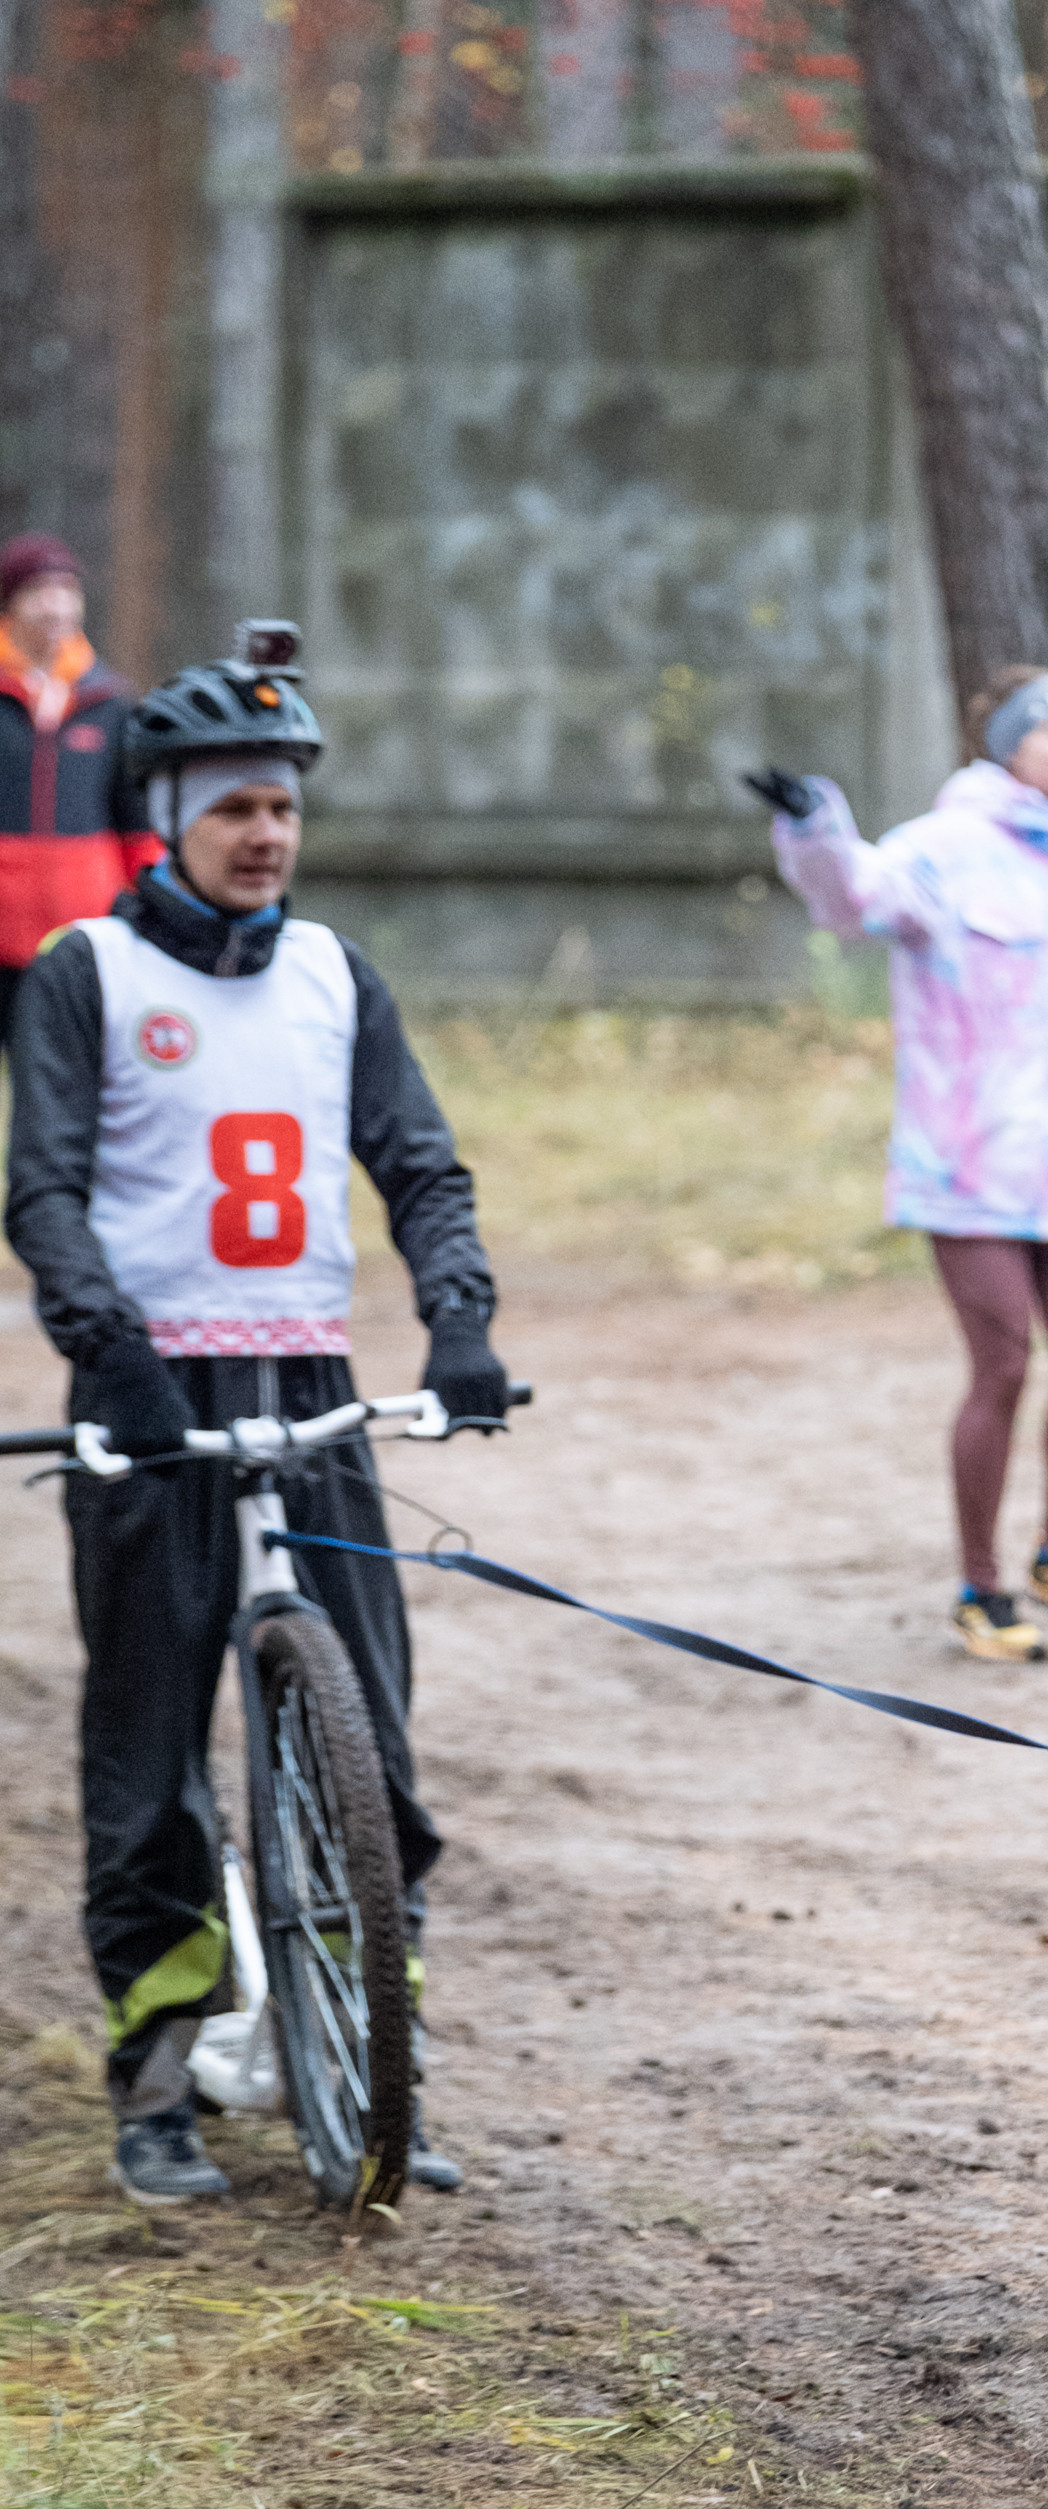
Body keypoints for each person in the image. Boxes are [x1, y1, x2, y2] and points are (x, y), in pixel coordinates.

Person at [3, 635, 508, 2203]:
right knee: (149, 1759)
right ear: (166, 810)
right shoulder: (90, 971)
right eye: (233, 807)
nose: (265, 834)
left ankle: (373, 2054)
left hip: (311, 1390)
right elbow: (45, 1192)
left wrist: (462, 1318)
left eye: (282, 807)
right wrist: (117, 1358)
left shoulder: (336, 973)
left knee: (379, 1750)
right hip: (149, 1396)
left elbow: (418, 1164)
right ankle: (158, 2075)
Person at [762, 667, 1048, 1663]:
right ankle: (980, 1586)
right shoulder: (942, 848)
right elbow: (855, 897)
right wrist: (816, 829)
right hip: (969, 1166)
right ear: (1006, 746)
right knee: (1002, 1364)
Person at [0, 532, 157, 1048]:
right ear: (10, 604)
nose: (58, 606)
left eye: (69, 590)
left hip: (83, 930)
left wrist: (153, 904)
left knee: (59, 1084)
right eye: (41, 592)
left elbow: (136, 822)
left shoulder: (110, 701)